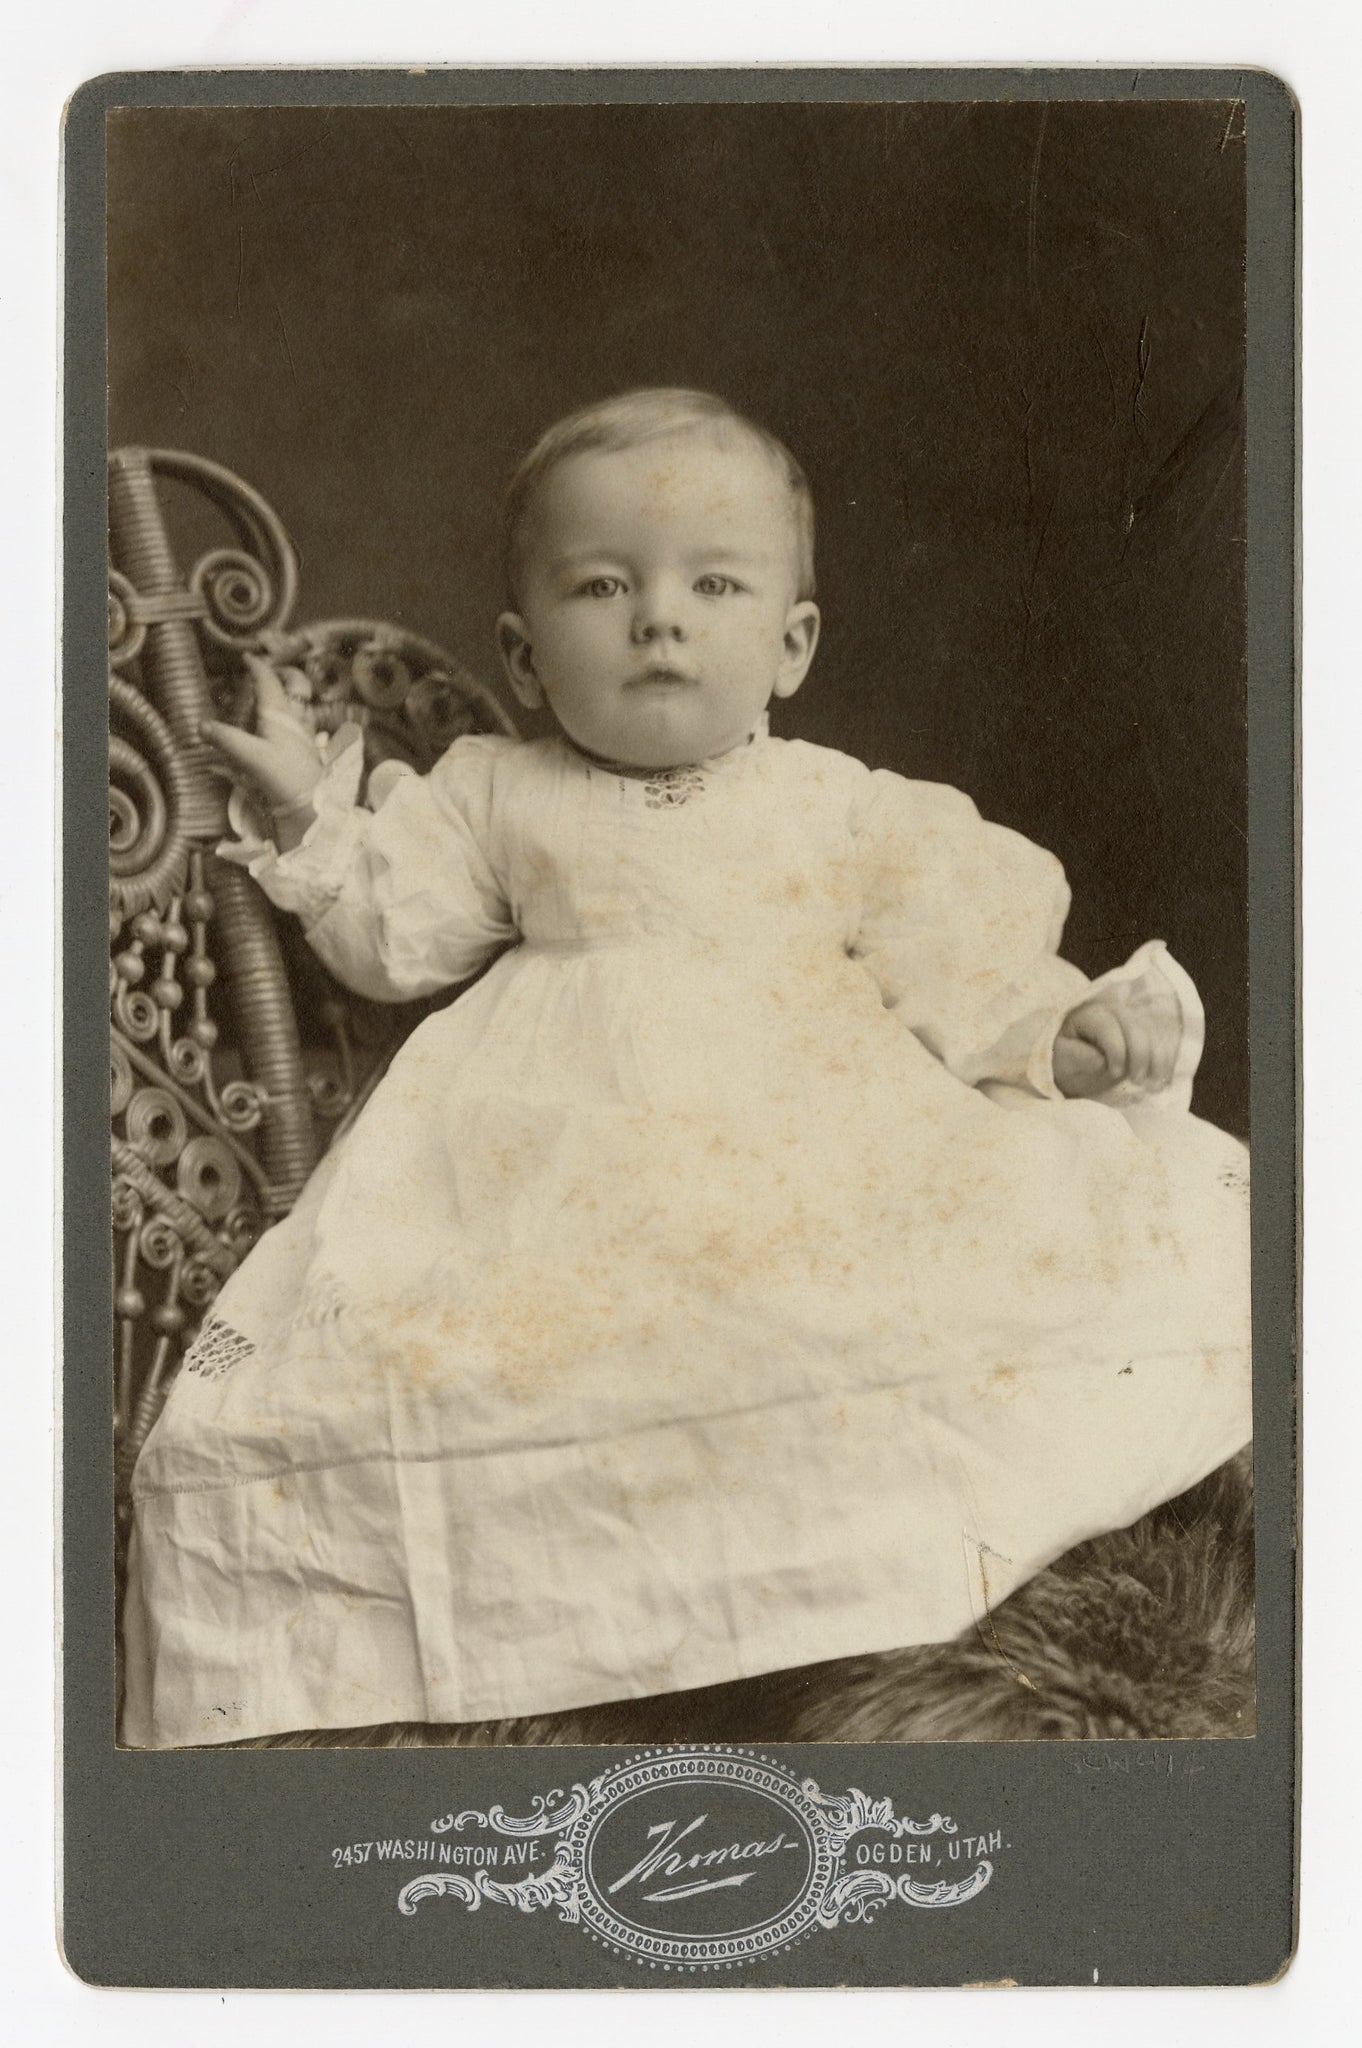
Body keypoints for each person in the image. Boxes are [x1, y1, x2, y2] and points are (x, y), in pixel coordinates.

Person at [120, 388, 1251, 1749]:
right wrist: (313, 813)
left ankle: (827, 1572)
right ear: (523, 652)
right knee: (493, 1359)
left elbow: (960, 960)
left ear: (790, 644)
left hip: (807, 1141)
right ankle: (598, 1606)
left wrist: (1051, 1033)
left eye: (712, 584)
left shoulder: (837, 806)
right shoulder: (493, 790)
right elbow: (391, 941)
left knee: (878, 1307)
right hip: (556, 1152)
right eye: (601, 586)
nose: (658, 617)